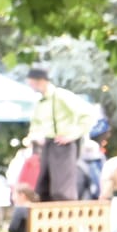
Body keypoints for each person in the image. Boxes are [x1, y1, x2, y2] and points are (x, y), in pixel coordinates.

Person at [24, 66, 93, 201]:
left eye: (32, 83)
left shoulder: (61, 95)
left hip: (63, 144)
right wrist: (35, 136)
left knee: (62, 189)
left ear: (40, 81)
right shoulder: (40, 102)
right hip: (46, 145)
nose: (31, 87)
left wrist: (72, 135)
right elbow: (35, 125)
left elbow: (87, 114)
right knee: (43, 187)